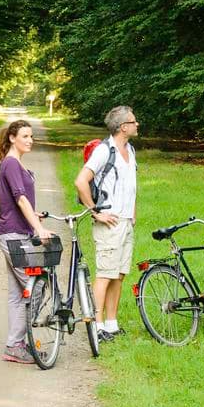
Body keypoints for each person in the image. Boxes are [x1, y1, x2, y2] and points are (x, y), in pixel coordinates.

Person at [75, 105, 139, 343]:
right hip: (109, 222)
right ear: (123, 127)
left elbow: (131, 184)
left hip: (125, 222)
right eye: (133, 122)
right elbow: (81, 181)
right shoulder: (104, 150)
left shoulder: (130, 150)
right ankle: (97, 327)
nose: (137, 125)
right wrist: (95, 211)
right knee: (104, 275)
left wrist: (133, 213)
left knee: (119, 275)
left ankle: (112, 325)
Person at [0, 119, 52, 364]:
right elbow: (19, 199)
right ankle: (17, 343)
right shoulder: (11, 164)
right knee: (36, 285)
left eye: (31, 136)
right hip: (14, 235)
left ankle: (15, 344)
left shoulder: (14, 164)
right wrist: (38, 227)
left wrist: (30, 216)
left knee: (18, 293)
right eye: (25, 136)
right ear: (12, 138)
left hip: (14, 231)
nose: (30, 140)